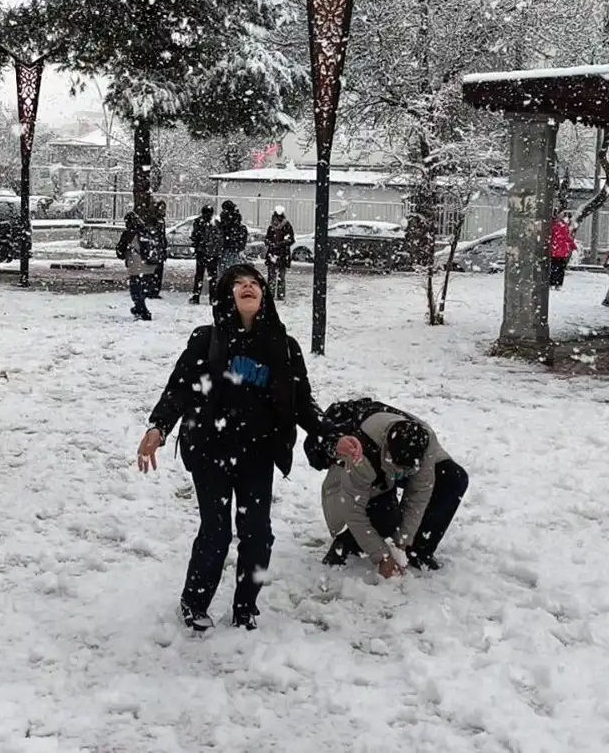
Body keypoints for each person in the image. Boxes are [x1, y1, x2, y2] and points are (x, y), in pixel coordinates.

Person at [136, 264, 361, 632]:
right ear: (227, 295)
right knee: (216, 531)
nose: (248, 287)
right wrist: (158, 427)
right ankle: (194, 602)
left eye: (254, 283)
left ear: (264, 295)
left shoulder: (283, 347)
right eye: (239, 284)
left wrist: (333, 436)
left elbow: (302, 403)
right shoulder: (206, 339)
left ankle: (245, 608)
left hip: (257, 453)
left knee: (258, 533)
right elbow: (179, 387)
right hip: (210, 449)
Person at [310, 399, 469, 575]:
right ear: (387, 450)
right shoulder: (362, 452)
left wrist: (403, 541)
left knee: (454, 479)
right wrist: (383, 557)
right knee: (386, 517)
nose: (402, 474)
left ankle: (418, 551)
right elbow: (353, 510)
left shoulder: (425, 443)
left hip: (391, 463)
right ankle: (345, 544)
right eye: (398, 468)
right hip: (356, 478)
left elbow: (419, 492)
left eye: (408, 470)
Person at [116, 211, 157, 321]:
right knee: (142, 289)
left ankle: (143, 311)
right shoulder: (146, 231)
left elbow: (120, 251)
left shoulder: (129, 234)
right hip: (149, 265)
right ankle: (139, 308)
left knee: (135, 290)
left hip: (136, 265)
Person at [189, 205, 223, 305]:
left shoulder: (198, 222)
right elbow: (220, 238)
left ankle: (196, 296)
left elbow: (195, 236)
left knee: (199, 275)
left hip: (202, 252)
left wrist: (197, 246)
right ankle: (212, 297)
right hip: (213, 253)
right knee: (212, 276)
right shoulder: (216, 223)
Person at [264, 206, 295, 301]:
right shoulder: (271, 228)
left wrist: (280, 244)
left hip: (282, 254)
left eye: (275, 219)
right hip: (273, 253)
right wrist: (270, 243)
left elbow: (291, 240)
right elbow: (267, 238)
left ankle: (280, 294)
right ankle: (272, 294)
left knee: (281, 275)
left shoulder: (287, 226)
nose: (274, 221)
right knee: (272, 275)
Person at [548, 210, 576, 290]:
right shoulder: (564, 226)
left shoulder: (553, 225)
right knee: (560, 268)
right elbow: (568, 238)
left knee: (554, 267)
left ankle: (552, 283)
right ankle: (558, 283)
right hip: (562, 251)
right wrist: (572, 246)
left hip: (555, 250)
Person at [219, 201, 249, 270]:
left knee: (225, 268)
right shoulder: (237, 219)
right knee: (233, 268)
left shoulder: (225, 218)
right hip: (235, 247)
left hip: (227, 247)